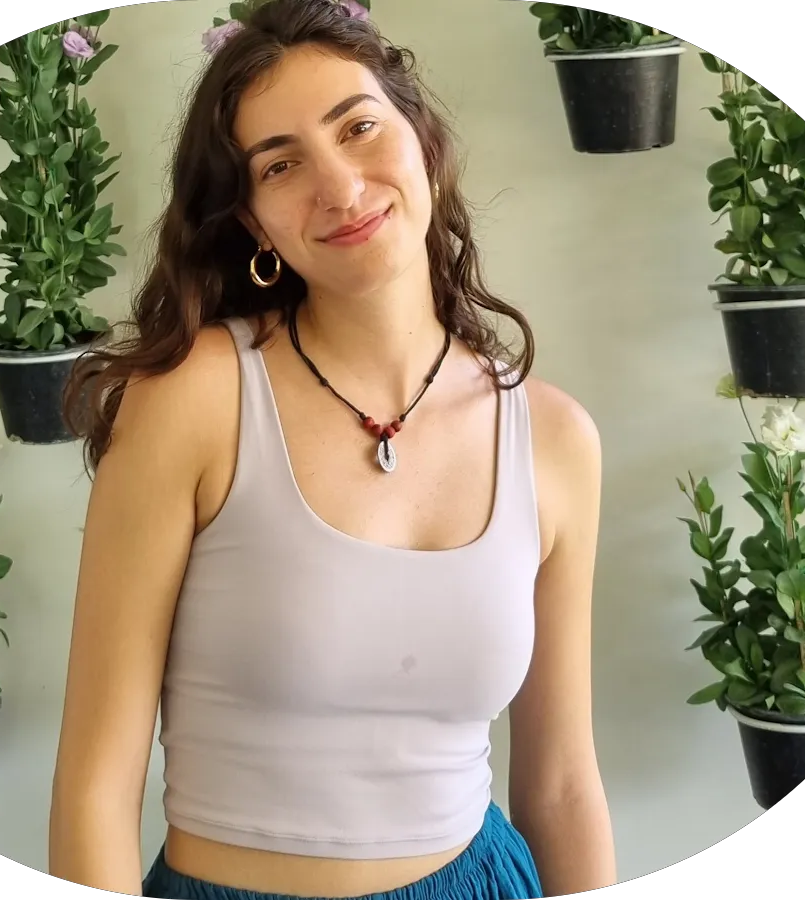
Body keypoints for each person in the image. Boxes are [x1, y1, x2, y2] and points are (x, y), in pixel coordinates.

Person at [50, 1, 614, 897]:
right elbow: (94, 789)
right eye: (281, 164)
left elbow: (562, 787)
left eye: (359, 128)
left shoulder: (554, 438)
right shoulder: (193, 398)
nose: (341, 188)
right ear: (253, 223)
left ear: (424, 142)